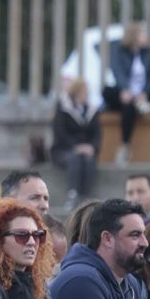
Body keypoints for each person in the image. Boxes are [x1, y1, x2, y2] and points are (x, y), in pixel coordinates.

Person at [102, 22, 150, 165]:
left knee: (129, 108)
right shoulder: (121, 52)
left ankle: (125, 145)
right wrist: (125, 90)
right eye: (143, 34)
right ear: (134, 36)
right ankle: (139, 105)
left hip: (144, 94)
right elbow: (118, 72)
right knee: (108, 92)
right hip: (127, 95)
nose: (146, 36)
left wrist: (145, 92)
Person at [51, 78, 101, 210]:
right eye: (84, 92)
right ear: (77, 93)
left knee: (89, 160)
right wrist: (76, 147)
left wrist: (92, 147)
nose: (87, 95)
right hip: (63, 150)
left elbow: (97, 134)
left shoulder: (91, 111)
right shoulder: (63, 109)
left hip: (86, 151)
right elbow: (60, 133)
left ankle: (86, 197)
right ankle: (73, 195)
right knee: (75, 159)